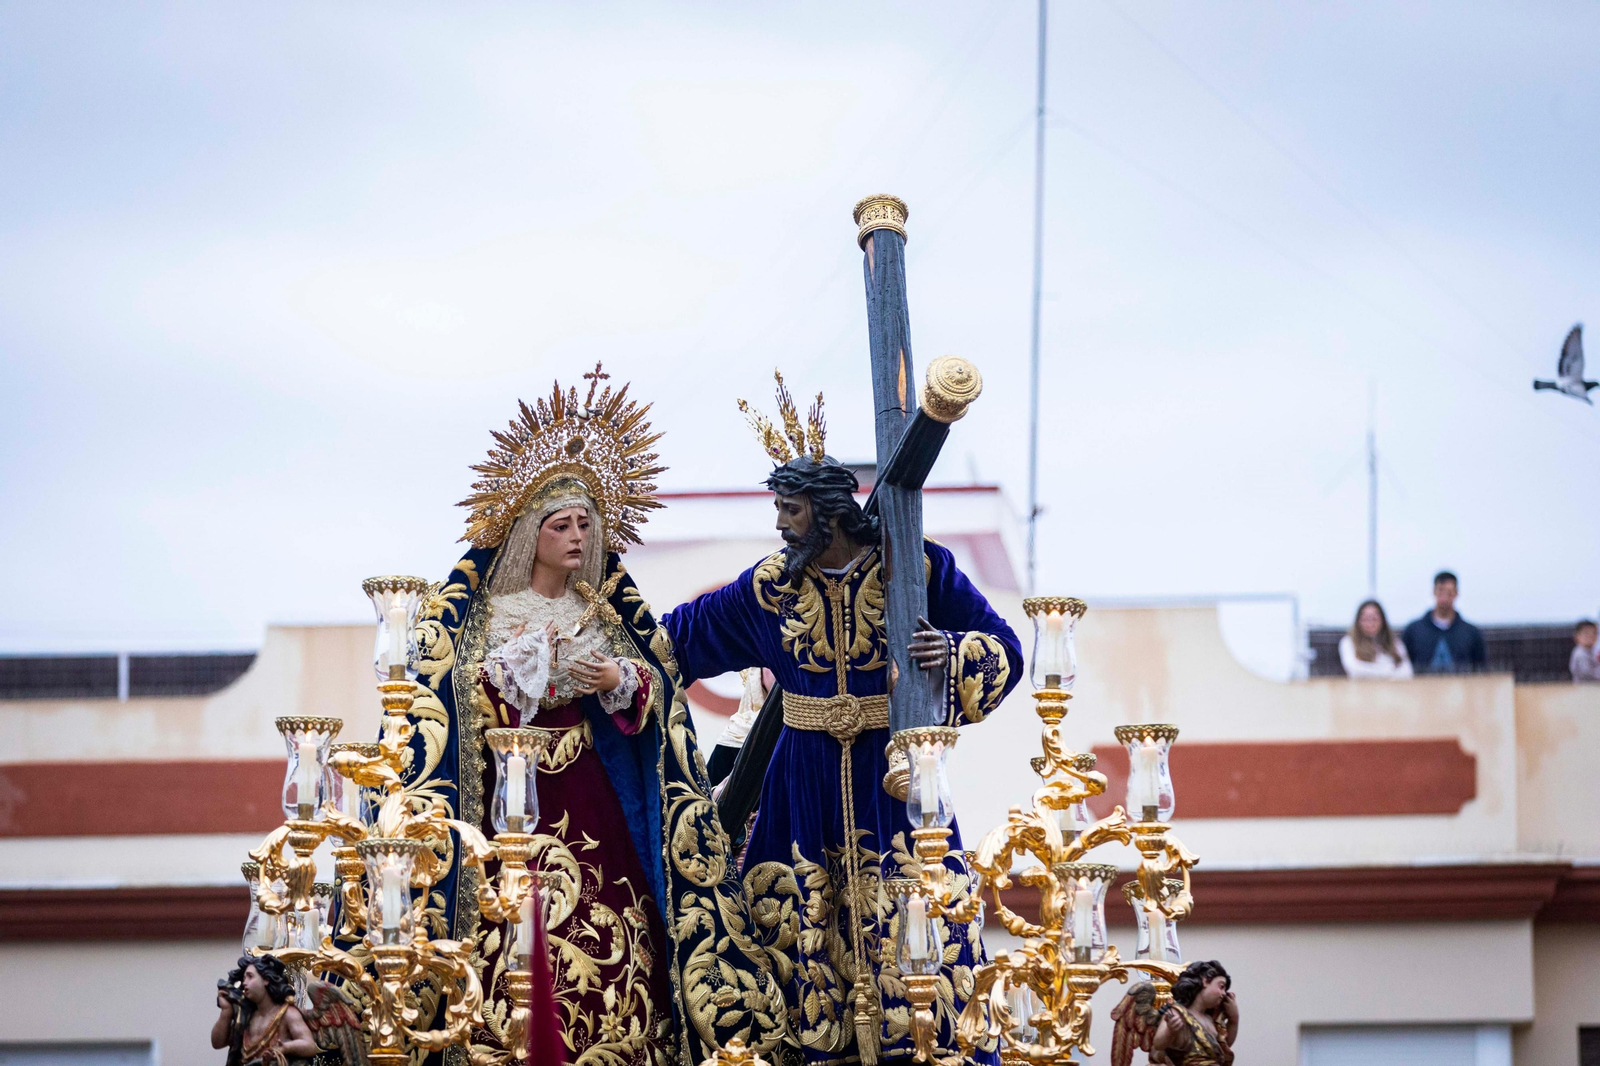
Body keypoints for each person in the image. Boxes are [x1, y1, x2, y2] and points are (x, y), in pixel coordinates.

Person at [407, 367, 786, 1065]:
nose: (578, 537)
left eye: (586, 523)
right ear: (529, 533)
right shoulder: (484, 615)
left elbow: (657, 690)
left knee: (624, 940)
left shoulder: (605, 611)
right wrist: (517, 675)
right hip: (512, 807)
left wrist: (617, 679)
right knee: (514, 944)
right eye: (561, 525)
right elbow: (447, 697)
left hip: (594, 799)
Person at [661, 374, 1023, 1065]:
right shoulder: (768, 587)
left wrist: (951, 653)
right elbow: (676, 640)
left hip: (897, 778)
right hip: (801, 785)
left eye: (790, 510)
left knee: (919, 933)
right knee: (791, 946)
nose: (780, 525)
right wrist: (599, 642)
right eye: (778, 509)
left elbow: (1004, 648)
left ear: (827, 512)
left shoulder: (914, 567)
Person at [211, 955, 320, 1066]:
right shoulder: (246, 1015)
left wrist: (285, 1048)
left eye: (250, 976)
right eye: (244, 978)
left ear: (266, 979)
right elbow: (217, 1043)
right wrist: (226, 1011)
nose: (244, 983)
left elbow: (310, 1045)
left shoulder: (287, 1014)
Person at [1150, 960, 1238, 1065]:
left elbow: (1224, 1047)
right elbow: (1158, 1044)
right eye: (1221, 987)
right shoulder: (1178, 1013)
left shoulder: (1211, 1019)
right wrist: (1170, 1030)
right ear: (1205, 981)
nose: (1224, 994)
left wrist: (1233, 1020)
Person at [1402, 571, 1487, 675]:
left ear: (1456, 593)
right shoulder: (1413, 631)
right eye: (1441, 591)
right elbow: (1404, 667)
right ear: (1434, 591)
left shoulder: (1471, 633)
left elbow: (1481, 669)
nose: (1445, 597)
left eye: (1449, 592)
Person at [1338, 599, 1413, 679]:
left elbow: (1407, 671)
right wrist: (1389, 671)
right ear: (1358, 621)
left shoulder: (1395, 643)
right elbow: (1354, 670)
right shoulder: (1348, 642)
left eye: (1374, 619)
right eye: (1365, 619)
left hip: (1393, 687)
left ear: (1382, 620)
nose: (1370, 623)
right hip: (1362, 686)